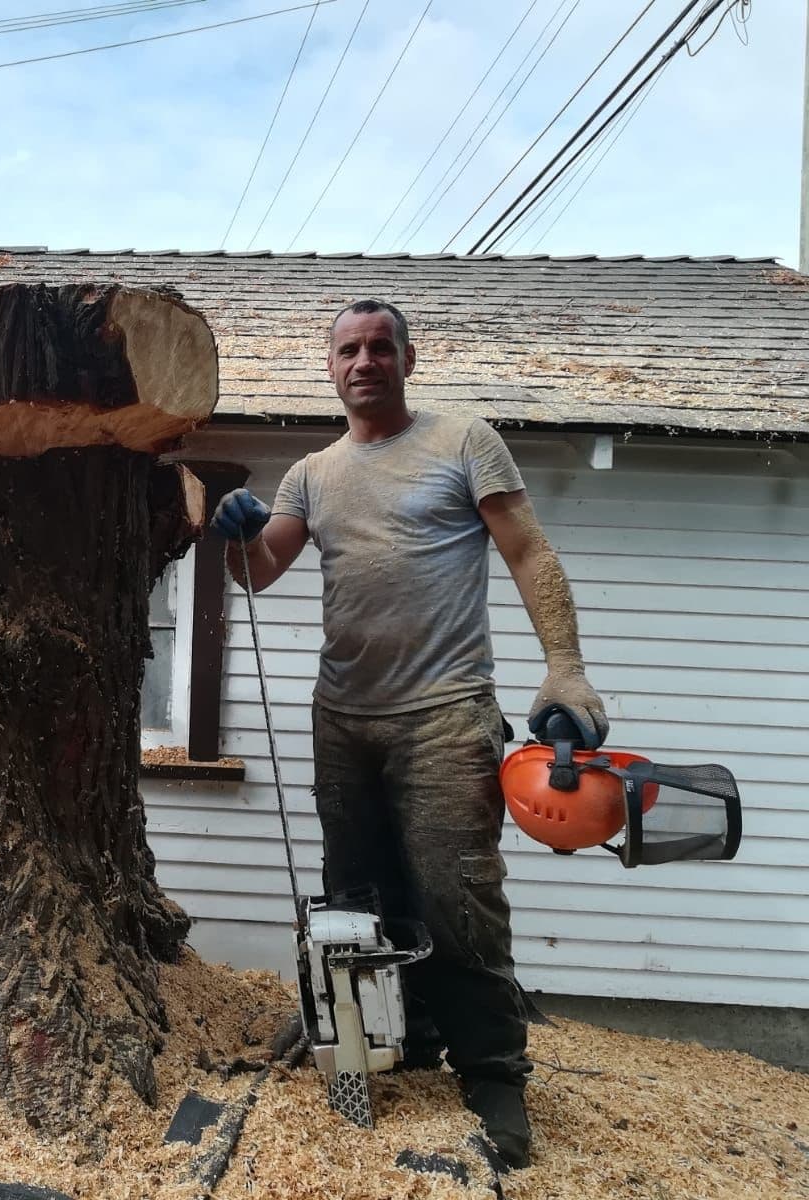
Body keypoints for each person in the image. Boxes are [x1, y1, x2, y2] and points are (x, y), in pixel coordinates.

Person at [211, 298, 609, 1170]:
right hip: (342, 714)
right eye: (348, 348)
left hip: (444, 710)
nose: (364, 360)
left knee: (455, 899)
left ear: (407, 358)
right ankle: (393, 1045)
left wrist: (566, 667)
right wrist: (234, 526)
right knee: (356, 895)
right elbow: (263, 569)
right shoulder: (311, 474)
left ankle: (495, 1079)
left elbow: (528, 552)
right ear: (330, 367)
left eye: (379, 346)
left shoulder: (464, 441)